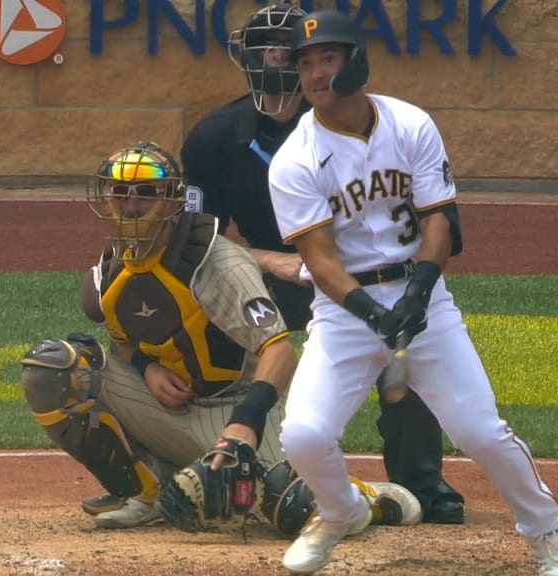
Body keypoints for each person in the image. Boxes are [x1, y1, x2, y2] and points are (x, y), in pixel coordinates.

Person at [268, 9, 558, 576]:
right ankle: (341, 510)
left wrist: (419, 292)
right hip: (344, 314)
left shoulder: (409, 123)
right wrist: (368, 310)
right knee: (304, 436)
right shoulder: (294, 159)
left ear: (354, 61)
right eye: (306, 63)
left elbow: (441, 220)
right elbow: (318, 258)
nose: (314, 74)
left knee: (480, 432)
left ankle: (547, 535)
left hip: (424, 301)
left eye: (326, 59)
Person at [19, 141, 420, 533]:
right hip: (170, 410)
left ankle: (363, 496)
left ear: (172, 204)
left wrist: (243, 425)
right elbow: (121, 340)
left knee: (290, 504)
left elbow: (279, 352)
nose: (130, 204)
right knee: (54, 370)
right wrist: (146, 369)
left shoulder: (217, 263)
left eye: (145, 193)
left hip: (240, 410)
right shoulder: (111, 271)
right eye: (120, 192)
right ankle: (145, 491)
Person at [181, 1, 464, 525]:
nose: (280, 64)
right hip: (269, 278)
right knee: (210, 322)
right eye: (267, 53)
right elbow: (200, 236)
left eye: (289, 53)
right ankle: (228, 459)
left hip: (352, 271)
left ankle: (420, 478)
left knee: (405, 337)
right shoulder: (214, 136)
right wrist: (274, 261)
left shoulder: (351, 122)